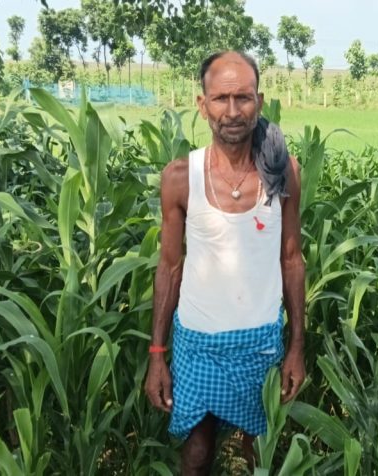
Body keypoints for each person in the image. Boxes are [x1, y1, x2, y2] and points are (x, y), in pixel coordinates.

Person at [144, 50, 307, 475]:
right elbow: (169, 267)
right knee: (197, 453)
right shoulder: (180, 177)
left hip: (260, 344)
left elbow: (291, 259)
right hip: (197, 344)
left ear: (260, 101)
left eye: (243, 97)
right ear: (203, 105)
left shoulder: (283, 172)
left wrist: (296, 346)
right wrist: (157, 354)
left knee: (257, 457)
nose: (232, 112)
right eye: (220, 98)